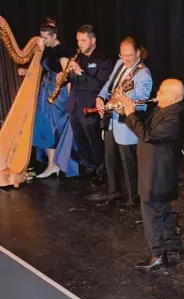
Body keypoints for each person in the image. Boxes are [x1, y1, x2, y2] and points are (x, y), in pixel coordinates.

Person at [118, 79, 184, 271]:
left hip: (157, 174)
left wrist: (131, 114)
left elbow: (147, 135)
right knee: (162, 210)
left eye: (162, 91)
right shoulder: (166, 110)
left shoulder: (174, 117)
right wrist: (126, 113)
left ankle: (158, 255)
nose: (157, 94)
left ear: (172, 96)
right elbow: (145, 126)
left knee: (151, 213)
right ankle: (172, 245)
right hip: (155, 171)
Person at [89, 36, 152, 208]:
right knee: (110, 158)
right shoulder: (119, 63)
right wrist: (101, 98)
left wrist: (123, 102)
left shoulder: (143, 75)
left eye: (129, 56)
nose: (125, 59)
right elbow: (109, 84)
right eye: (122, 55)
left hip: (126, 124)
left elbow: (141, 103)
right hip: (111, 120)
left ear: (138, 53)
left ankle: (134, 198)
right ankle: (114, 193)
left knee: (128, 163)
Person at [18, 18, 79, 178]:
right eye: (42, 37)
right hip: (47, 89)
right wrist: (27, 72)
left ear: (53, 36)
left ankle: (56, 164)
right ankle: (52, 164)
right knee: (46, 126)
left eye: (45, 38)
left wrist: (71, 97)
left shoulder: (63, 50)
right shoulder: (49, 50)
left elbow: (67, 75)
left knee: (53, 127)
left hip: (57, 93)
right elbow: (44, 69)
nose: (42, 40)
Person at [67, 25, 112, 187]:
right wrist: (66, 75)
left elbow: (100, 85)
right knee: (81, 140)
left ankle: (101, 171)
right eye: (78, 40)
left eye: (83, 40)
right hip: (75, 106)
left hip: (90, 106)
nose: (80, 44)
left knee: (94, 140)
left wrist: (80, 72)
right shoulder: (77, 57)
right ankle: (89, 168)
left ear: (93, 40)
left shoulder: (103, 60)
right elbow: (73, 81)